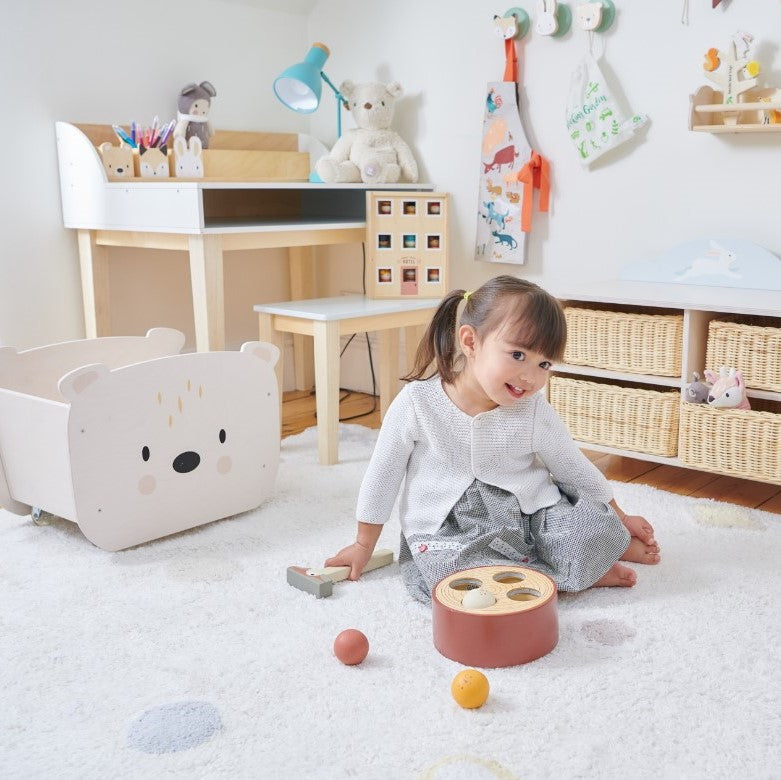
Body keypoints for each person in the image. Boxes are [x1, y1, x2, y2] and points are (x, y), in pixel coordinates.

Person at [325, 276, 661, 603]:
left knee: (589, 525)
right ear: (471, 342)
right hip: (452, 528)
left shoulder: (533, 410)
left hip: (531, 518)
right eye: (517, 355)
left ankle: (582, 565)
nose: (530, 376)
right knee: (449, 573)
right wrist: (362, 546)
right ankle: (565, 576)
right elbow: (382, 476)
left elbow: (573, 467)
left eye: (544, 363)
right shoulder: (417, 403)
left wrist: (620, 516)